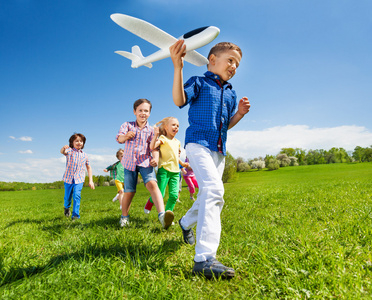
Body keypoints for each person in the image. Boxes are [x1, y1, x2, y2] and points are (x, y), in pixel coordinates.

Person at [170, 40, 251, 279]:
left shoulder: (231, 92)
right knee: (215, 190)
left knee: (209, 192)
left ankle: (185, 223)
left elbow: (226, 126)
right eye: (230, 60)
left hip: (218, 150)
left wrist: (239, 114)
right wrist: (178, 67)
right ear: (212, 60)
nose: (234, 66)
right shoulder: (200, 82)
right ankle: (204, 259)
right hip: (197, 144)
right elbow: (179, 100)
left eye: (237, 64)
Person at [116, 99, 174, 229]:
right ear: (134, 111)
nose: (143, 113)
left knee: (153, 185)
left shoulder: (152, 130)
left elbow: (154, 148)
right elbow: (119, 138)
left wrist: (155, 159)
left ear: (149, 113)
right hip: (129, 162)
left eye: (146, 111)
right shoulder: (127, 125)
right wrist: (125, 137)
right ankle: (124, 217)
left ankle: (162, 216)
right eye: (140, 110)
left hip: (145, 161)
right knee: (129, 191)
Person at [143, 117, 186, 214]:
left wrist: (182, 164)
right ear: (166, 127)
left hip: (175, 172)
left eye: (178, 126)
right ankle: (150, 202)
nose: (176, 127)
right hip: (164, 170)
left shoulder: (178, 142)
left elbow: (175, 156)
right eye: (174, 125)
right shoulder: (163, 139)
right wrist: (156, 136)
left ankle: (168, 214)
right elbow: (152, 146)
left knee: (174, 195)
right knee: (160, 195)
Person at [61, 133, 95, 220]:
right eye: (76, 141)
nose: (79, 142)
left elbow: (88, 167)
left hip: (79, 179)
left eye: (81, 141)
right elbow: (62, 152)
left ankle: (75, 215)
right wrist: (63, 148)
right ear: (72, 143)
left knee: (76, 195)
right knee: (67, 197)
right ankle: (66, 207)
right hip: (68, 179)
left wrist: (91, 180)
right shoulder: (69, 151)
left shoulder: (84, 155)